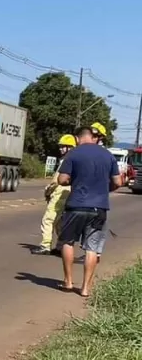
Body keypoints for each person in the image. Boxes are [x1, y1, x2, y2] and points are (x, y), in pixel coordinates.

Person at [56, 124, 121, 297]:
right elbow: (118, 182)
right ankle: (85, 288)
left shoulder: (74, 154)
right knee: (91, 248)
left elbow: (61, 179)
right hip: (99, 207)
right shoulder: (108, 155)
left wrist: (73, 180)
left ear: (77, 138)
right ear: (93, 137)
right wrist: (104, 190)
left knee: (68, 242)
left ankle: (68, 282)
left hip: (76, 205)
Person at [32, 134, 75, 256]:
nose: (60, 149)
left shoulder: (66, 162)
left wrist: (48, 191)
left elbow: (56, 181)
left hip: (60, 193)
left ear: (70, 148)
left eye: (63, 147)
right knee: (59, 222)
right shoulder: (75, 160)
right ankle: (61, 246)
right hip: (68, 193)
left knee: (48, 219)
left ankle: (45, 245)